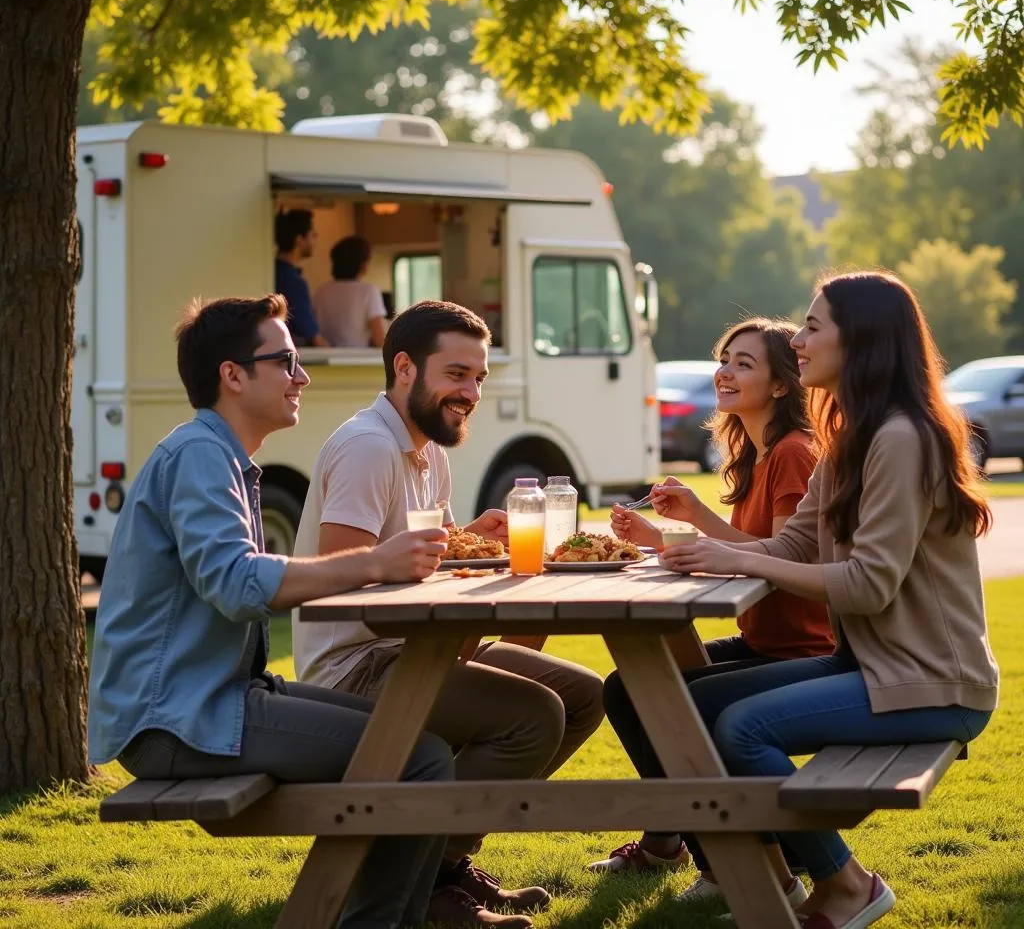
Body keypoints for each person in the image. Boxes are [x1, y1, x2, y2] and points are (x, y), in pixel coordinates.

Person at [87, 294, 455, 929]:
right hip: (175, 719)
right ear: (233, 375)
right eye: (285, 361)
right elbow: (233, 582)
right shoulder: (199, 456)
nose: (302, 377)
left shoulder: (223, 457)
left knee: (423, 750)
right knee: (418, 759)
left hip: (211, 698)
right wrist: (373, 562)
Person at [658, 272, 999, 929]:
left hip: (932, 682)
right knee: (690, 703)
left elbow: (871, 584)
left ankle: (845, 883)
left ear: (861, 339)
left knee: (743, 727)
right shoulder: (850, 439)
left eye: (813, 328)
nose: (801, 342)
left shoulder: (901, 438)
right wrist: (708, 544)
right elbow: (791, 547)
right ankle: (765, 879)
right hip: (873, 664)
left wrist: (733, 556)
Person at [292, 299, 605, 928]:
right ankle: (429, 883)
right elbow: (340, 578)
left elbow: (425, 552)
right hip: (356, 666)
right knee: (533, 716)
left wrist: (476, 541)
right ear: (405, 368)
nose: (471, 392)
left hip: (417, 646)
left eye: (479, 378)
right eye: (457, 374)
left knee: (582, 694)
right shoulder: (368, 448)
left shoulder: (427, 448)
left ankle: (441, 864)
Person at [591, 318, 834, 886]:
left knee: (667, 700)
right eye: (725, 359)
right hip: (764, 639)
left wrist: (698, 524)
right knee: (629, 689)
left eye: (744, 363)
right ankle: (667, 841)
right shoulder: (757, 453)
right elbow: (749, 546)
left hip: (800, 648)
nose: (725, 371)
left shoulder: (794, 453)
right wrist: (662, 537)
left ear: (780, 384)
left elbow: (785, 557)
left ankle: (729, 863)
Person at [314, 234, 388, 347]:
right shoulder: (369, 291)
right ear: (363, 264)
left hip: (326, 359)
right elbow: (379, 339)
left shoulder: (320, 292)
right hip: (356, 359)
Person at [274, 208, 329, 346]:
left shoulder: (273, 272)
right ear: (299, 240)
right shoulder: (293, 282)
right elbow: (310, 333)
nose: (315, 239)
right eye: (312, 235)